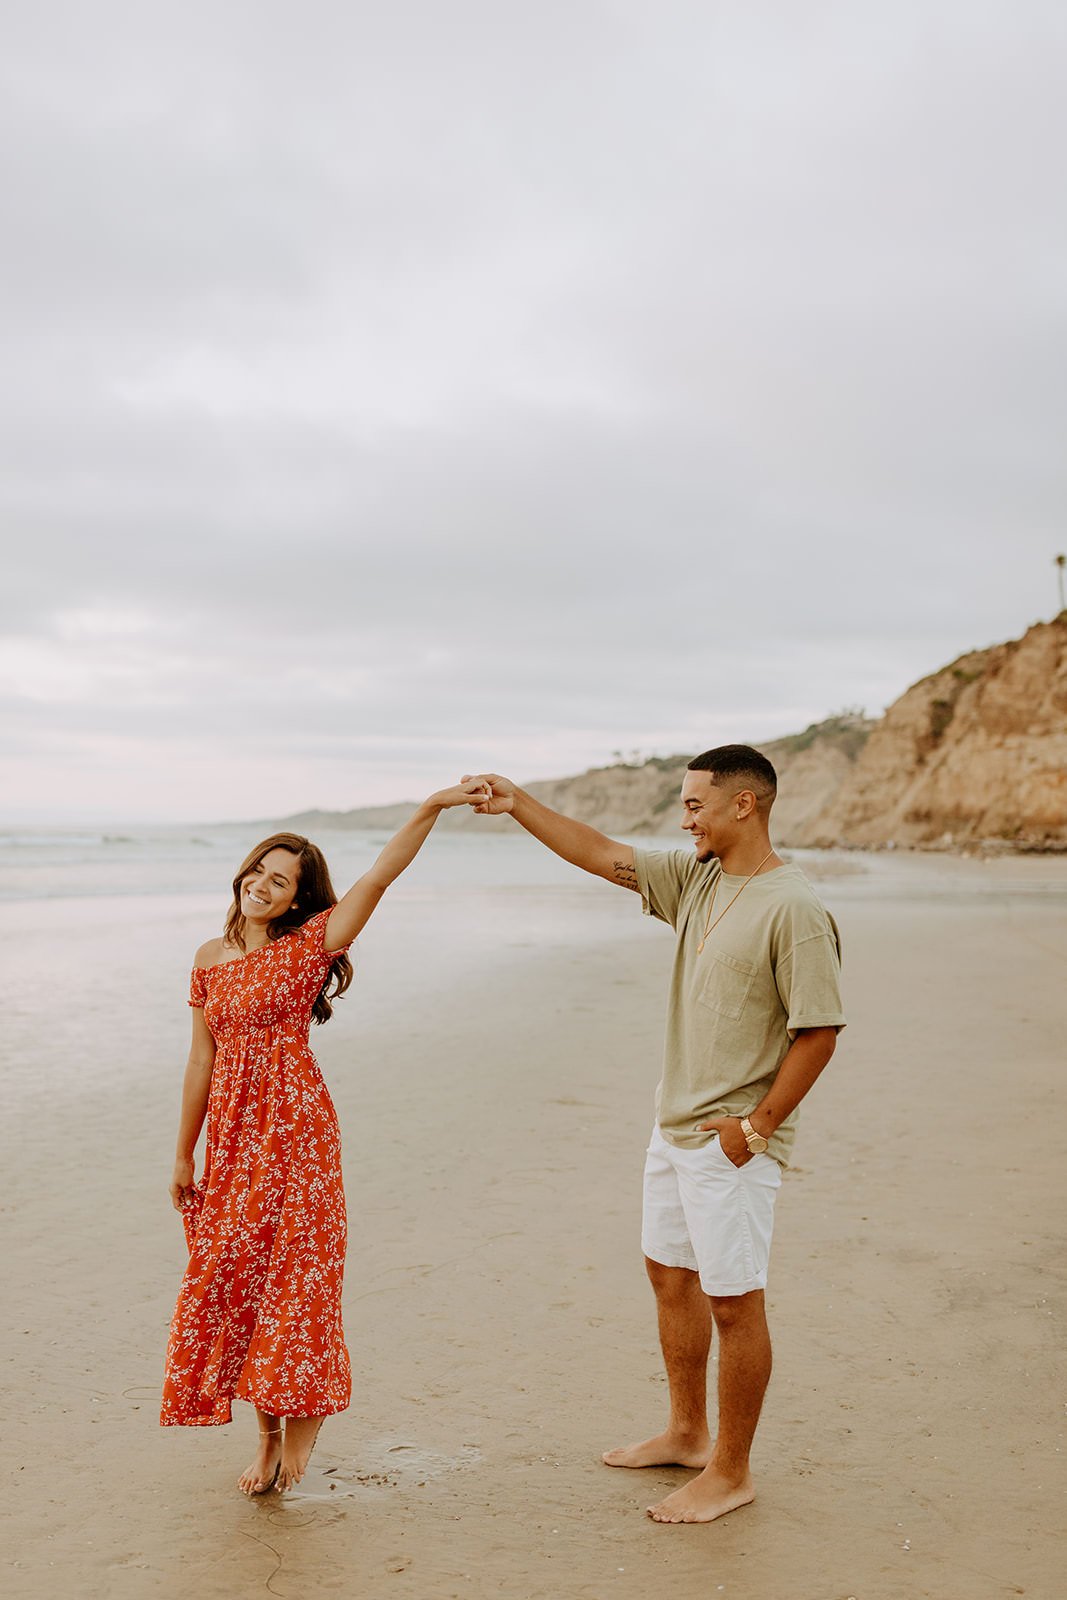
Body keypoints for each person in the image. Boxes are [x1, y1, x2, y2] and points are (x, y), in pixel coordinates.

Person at [465, 746, 845, 1524]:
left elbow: (819, 1030)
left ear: (744, 805)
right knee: (670, 1277)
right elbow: (600, 854)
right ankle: (686, 1432)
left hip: (731, 1140)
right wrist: (518, 803)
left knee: (734, 1301)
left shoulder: (794, 908)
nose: (684, 819)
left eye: (695, 805)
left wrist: (755, 1126)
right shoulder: (698, 878)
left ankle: (731, 1471)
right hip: (672, 1127)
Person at [160, 782, 487, 1495]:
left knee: (298, 1276)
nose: (262, 885)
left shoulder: (312, 943)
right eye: (258, 871)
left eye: (280, 881)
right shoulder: (209, 955)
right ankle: (266, 1439)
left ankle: (299, 1433)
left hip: (298, 1130)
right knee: (239, 1275)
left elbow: (378, 876)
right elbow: (200, 1060)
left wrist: (429, 808)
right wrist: (185, 1150)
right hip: (237, 1137)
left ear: (297, 900)